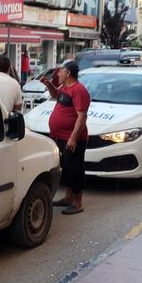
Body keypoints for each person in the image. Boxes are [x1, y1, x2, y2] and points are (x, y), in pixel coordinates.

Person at [39, 61, 90, 215]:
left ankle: (78, 203)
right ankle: (68, 198)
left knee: (75, 170)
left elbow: (82, 117)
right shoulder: (64, 87)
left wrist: (73, 138)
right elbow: (56, 95)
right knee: (66, 169)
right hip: (60, 136)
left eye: (60, 71)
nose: (58, 74)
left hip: (72, 138)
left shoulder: (79, 90)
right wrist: (49, 85)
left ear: (68, 73)